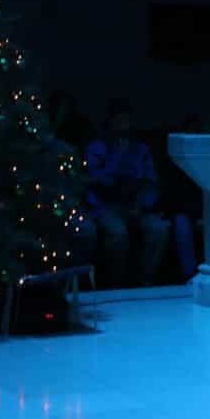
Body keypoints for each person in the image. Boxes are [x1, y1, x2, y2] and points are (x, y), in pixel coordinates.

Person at [83, 98, 169, 287]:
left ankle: (145, 281)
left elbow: (151, 182)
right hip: (106, 206)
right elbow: (95, 180)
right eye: (119, 120)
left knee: (159, 229)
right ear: (111, 121)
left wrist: (142, 205)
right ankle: (115, 284)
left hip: (135, 206)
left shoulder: (141, 148)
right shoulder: (97, 147)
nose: (123, 125)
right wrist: (117, 157)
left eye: (127, 120)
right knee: (118, 233)